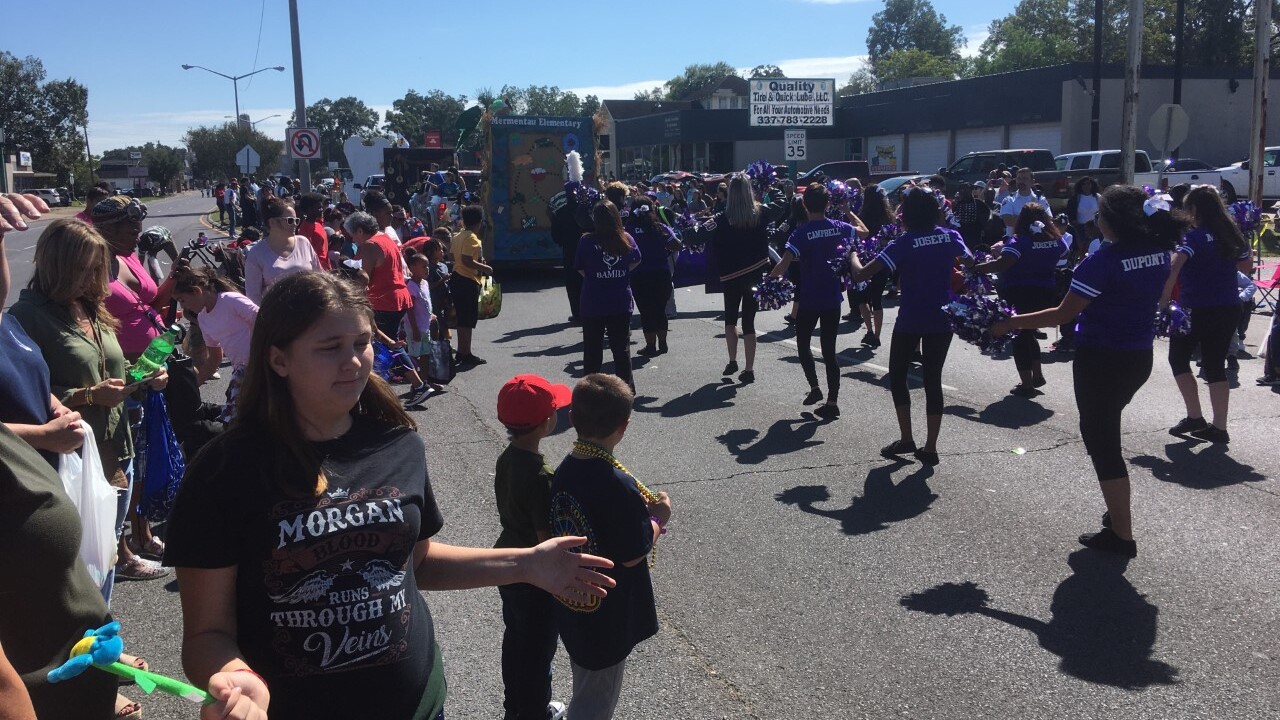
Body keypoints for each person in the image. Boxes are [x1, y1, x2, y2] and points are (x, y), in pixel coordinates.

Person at [164, 271, 616, 720]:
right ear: (278, 359)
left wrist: (526, 564)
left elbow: (416, 563)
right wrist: (230, 674)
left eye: (361, 343)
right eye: (329, 347)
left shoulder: (398, 442)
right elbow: (206, 632)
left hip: (418, 705)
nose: (354, 362)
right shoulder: (223, 469)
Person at [993, 185, 1185, 557]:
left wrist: (1010, 323)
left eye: (1100, 214)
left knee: (1102, 443)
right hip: (1138, 357)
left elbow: (1064, 314)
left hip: (1101, 358)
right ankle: (1117, 514)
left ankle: (1122, 536)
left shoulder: (1104, 260)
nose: (1096, 220)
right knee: (1105, 432)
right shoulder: (1159, 251)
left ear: (1114, 221)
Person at [0, 188, 120, 720]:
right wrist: (47, 434)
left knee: (90, 577)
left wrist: (56, 406)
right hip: (32, 478)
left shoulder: (6, 325)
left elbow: (36, 377)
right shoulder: (32, 314)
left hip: (67, 466)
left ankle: (97, 666)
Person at [8, 219, 171, 593]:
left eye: (98, 268)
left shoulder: (91, 308)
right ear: (57, 266)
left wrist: (143, 377)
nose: (93, 278)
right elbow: (24, 396)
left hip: (115, 447)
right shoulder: (27, 317)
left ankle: (102, 634)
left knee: (108, 548)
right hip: (73, 458)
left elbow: (109, 366)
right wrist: (87, 396)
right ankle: (83, 640)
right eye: (84, 268)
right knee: (79, 563)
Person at [549, 374, 672, 720]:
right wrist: (658, 519)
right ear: (625, 425)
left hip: (574, 601)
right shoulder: (617, 485)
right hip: (606, 613)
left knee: (586, 681)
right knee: (595, 703)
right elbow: (634, 554)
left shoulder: (564, 470)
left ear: (571, 419)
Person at [851, 188, 971, 466]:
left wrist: (852, 254)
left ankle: (907, 438)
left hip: (911, 320)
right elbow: (970, 264)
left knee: (897, 376)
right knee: (933, 380)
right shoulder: (950, 236)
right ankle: (930, 447)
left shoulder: (904, 243)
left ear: (908, 215)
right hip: (942, 319)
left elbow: (861, 274)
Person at [494, 375, 574, 720]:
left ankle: (516, 707)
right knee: (539, 650)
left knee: (516, 640)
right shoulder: (542, 475)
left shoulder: (507, 457)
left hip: (507, 561)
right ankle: (534, 711)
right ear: (547, 422)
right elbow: (547, 540)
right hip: (534, 575)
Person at [1160, 185, 1252, 443]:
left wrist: (1164, 300)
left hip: (1195, 308)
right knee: (1215, 365)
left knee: (1178, 359)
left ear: (1194, 209)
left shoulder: (1193, 236)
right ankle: (1219, 428)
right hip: (1228, 306)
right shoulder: (1232, 234)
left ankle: (1195, 416)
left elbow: (1175, 265)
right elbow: (1246, 266)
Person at [970, 202, 1069, 396]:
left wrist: (978, 267)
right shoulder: (1056, 239)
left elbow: (1003, 264)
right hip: (1045, 294)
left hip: (1020, 292)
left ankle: (1026, 384)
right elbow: (1064, 253)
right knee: (1029, 332)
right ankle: (1037, 375)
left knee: (1018, 336)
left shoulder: (1019, 241)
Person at [770, 183, 849, 418]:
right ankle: (832, 402)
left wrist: (768, 281)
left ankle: (815, 387)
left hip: (809, 298)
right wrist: (846, 210)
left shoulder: (801, 232)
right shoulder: (838, 227)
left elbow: (783, 265)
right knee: (829, 351)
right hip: (833, 298)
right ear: (827, 204)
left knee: (803, 344)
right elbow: (863, 232)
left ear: (804, 205)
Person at [700, 174, 772, 382]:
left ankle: (732, 361)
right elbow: (782, 206)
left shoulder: (722, 218)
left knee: (730, 320)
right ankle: (749, 369)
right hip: (755, 275)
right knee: (749, 322)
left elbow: (699, 235)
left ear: (730, 192)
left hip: (731, 276)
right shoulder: (760, 213)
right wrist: (768, 189)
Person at [171, 263, 258, 423]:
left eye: (182, 300)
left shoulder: (230, 300)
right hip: (242, 371)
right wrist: (193, 385)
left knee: (238, 418)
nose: (183, 306)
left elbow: (262, 319)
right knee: (237, 418)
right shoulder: (203, 319)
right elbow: (214, 359)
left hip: (260, 365)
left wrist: (258, 356)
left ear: (197, 291)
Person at [576, 201, 641, 391]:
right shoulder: (625, 239)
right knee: (621, 350)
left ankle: (589, 391)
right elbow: (636, 260)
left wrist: (597, 276)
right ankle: (626, 389)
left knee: (592, 351)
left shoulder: (586, 241)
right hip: (619, 300)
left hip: (593, 301)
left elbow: (580, 268)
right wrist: (620, 273)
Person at [341, 211, 413, 340]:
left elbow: (362, 279)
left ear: (360, 231)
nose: (353, 239)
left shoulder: (369, 246)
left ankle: (404, 360)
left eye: (352, 235)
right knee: (392, 343)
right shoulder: (385, 238)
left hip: (383, 302)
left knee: (383, 348)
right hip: (398, 300)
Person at [625, 203, 680, 357]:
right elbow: (677, 244)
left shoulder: (628, 230)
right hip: (661, 273)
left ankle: (650, 346)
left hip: (640, 275)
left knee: (646, 311)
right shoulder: (661, 227)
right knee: (660, 310)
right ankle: (662, 343)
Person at [244, 198, 322, 304]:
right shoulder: (256, 253)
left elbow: (320, 276)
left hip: (308, 312)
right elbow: (253, 296)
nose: (295, 224)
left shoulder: (304, 243)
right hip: (276, 317)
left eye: (296, 220)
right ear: (272, 222)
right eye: (290, 220)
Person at [853, 185, 896, 348]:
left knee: (862, 298)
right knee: (876, 299)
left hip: (865, 262)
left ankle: (870, 331)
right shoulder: (888, 217)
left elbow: (858, 237)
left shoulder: (862, 216)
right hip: (882, 262)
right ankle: (875, 334)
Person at [450, 205, 494, 366]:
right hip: (466, 279)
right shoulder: (472, 238)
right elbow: (467, 260)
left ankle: (462, 352)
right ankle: (466, 353)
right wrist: (485, 268)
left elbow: (453, 255)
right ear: (479, 222)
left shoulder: (458, 236)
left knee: (462, 319)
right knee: (467, 320)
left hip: (457, 277)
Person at [403, 251, 443, 405]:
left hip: (425, 326)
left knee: (426, 354)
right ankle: (416, 384)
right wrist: (414, 329)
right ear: (412, 267)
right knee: (415, 357)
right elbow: (410, 309)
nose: (427, 269)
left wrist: (430, 314)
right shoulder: (411, 286)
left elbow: (425, 302)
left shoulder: (424, 283)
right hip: (416, 328)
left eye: (427, 266)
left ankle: (425, 381)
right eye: (423, 266)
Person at [998, 168, 1049, 235]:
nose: (1021, 181)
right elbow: (1008, 221)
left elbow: (1048, 220)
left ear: (1032, 182)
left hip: (1036, 241)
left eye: (1025, 178)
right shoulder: (1009, 200)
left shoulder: (1040, 199)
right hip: (1015, 241)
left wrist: (1018, 217)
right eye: (1019, 178)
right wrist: (1035, 219)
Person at [296, 192, 331, 271]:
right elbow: (306, 256)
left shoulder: (318, 224)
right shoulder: (305, 230)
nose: (322, 210)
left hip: (326, 269)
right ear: (309, 209)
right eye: (319, 208)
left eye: (321, 207)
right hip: (317, 272)